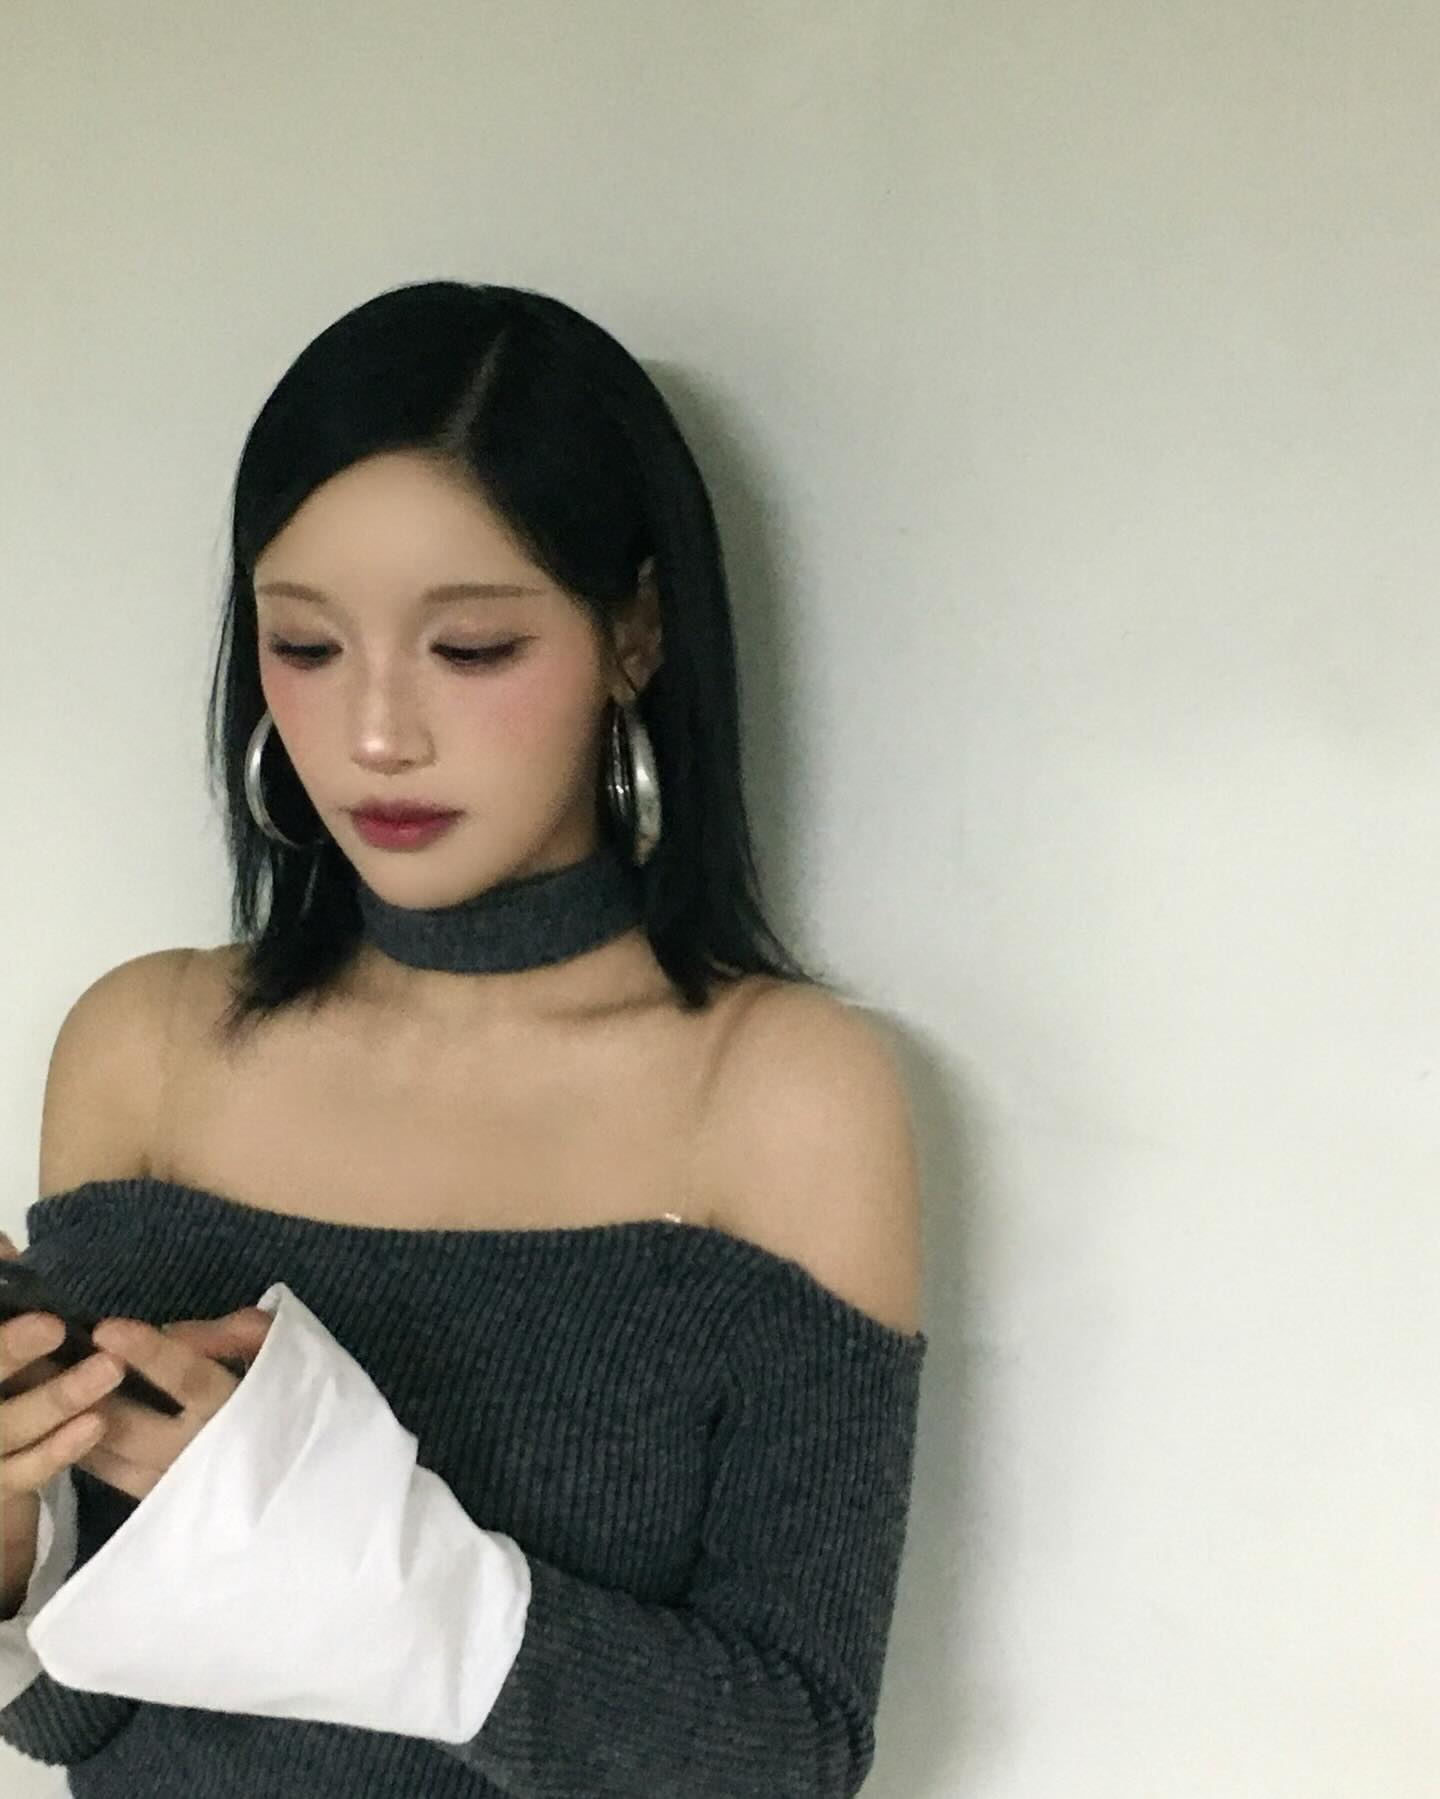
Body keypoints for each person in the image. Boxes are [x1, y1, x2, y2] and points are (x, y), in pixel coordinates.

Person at [0, 280, 927, 1796]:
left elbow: (788, 1757)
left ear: (635, 631)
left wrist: (339, 1555)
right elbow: (77, 1718)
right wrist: (8, 1538)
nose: (377, 735)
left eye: (474, 648)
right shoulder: (139, 1045)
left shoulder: (781, 1090)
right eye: (306, 646)